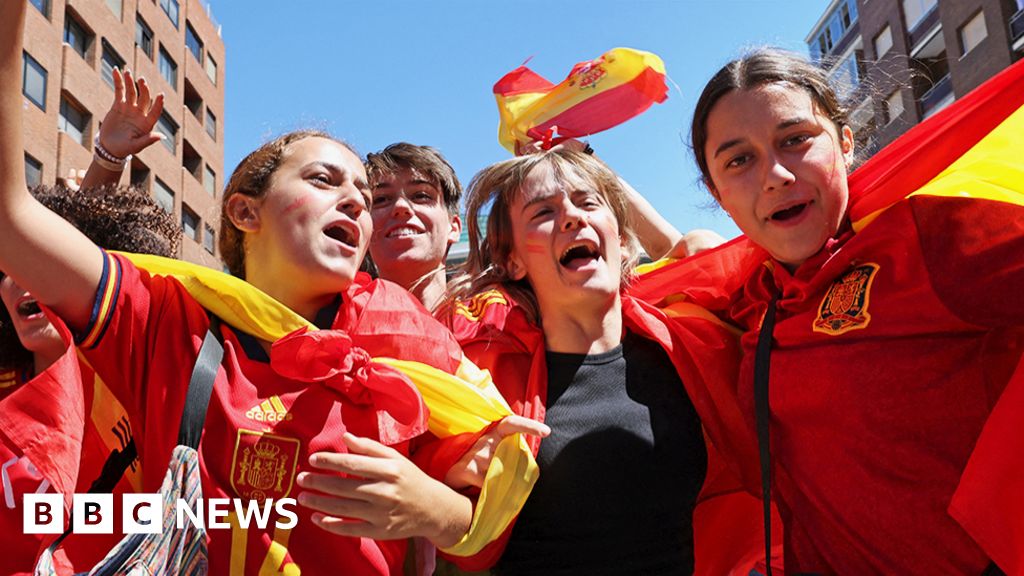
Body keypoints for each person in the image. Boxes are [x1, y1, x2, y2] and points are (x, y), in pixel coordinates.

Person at [0, 4, 528, 573]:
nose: (355, 200)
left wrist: (432, 510)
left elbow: (480, 516)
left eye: (360, 192)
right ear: (245, 212)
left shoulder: (410, 346)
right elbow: (12, 220)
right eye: (324, 180)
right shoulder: (166, 323)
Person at [682, 48, 1024, 573]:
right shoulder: (753, 296)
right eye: (739, 160)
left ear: (844, 142)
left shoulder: (932, 235)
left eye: (795, 140)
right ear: (717, 192)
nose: (774, 174)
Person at [441, 148, 775, 575]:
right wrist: (450, 475)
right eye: (543, 211)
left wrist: (586, 157)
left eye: (588, 203)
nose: (572, 217)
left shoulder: (689, 344)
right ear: (512, 261)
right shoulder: (484, 376)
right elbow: (451, 530)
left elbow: (707, 252)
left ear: (620, 239)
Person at [365, 143, 464, 311]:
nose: (401, 206)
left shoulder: (496, 326)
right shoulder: (332, 328)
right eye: (381, 199)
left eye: (421, 195)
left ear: (453, 227)